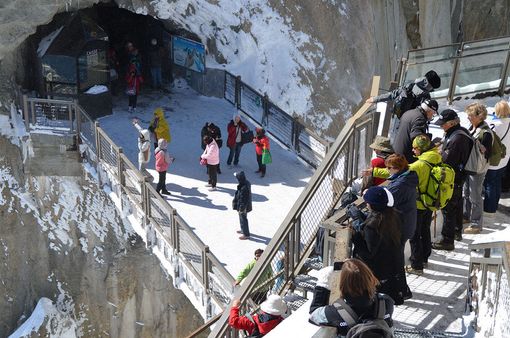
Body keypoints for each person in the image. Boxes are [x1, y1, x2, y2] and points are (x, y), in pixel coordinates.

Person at [346, 186, 406, 305]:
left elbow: (368, 253)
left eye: (367, 202)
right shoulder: (393, 215)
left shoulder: (372, 227)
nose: (366, 204)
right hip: (391, 267)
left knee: (376, 303)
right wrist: (360, 217)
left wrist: (355, 235)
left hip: (377, 271)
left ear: (372, 205)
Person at [309, 258, 394, 336]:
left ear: (343, 283)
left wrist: (323, 283)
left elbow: (313, 315)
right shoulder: (386, 302)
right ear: (369, 277)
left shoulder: (336, 312)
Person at [432, 110, 472, 251]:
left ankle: (447, 240)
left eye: (443, 124)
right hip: (459, 176)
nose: (442, 126)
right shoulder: (461, 132)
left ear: (452, 123)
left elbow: (447, 160)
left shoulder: (457, 139)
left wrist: (438, 153)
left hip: (452, 178)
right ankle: (456, 231)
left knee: (449, 208)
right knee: (457, 204)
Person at [463, 103, 493, 234]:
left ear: (479, 116)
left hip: (477, 169)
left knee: (475, 196)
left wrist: (476, 143)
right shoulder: (473, 127)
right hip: (470, 166)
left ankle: (476, 224)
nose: (468, 117)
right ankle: (466, 216)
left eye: (471, 115)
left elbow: (486, 153)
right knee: (467, 193)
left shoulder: (486, 133)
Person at [366, 70, 441, 115]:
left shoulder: (411, 85)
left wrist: (375, 99)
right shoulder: (426, 98)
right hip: (405, 122)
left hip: (397, 111)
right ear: (431, 86)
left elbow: (393, 94)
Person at [391, 99, 439, 163]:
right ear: (429, 111)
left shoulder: (409, 112)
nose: (433, 115)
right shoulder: (420, 118)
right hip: (407, 155)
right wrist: (432, 146)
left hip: (397, 150)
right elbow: (418, 137)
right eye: (433, 113)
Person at [484, 100, 510, 214]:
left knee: (490, 183)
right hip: (505, 158)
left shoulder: (494, 125)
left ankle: (489, 209)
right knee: (497, 182)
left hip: (494, 159)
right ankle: (494, 204)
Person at [233, 171, 252, 240]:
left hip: (243, 207)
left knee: (243, 219)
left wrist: (241, 208)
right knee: (242, 218)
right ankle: (243, 230)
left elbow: (243, 199)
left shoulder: (244, 187)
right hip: (243, 206)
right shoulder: (246, 183)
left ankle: (246, 234)